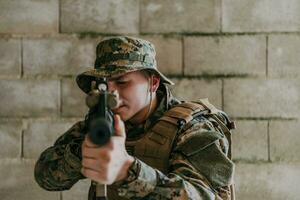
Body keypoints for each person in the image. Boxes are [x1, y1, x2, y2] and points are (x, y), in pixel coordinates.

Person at [34, 36, 235, 200]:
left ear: (153, 83)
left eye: (122, 82)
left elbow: (201, 196)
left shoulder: (191, 127)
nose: (112, 95)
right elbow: (45, 177)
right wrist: (82, 154)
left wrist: (126, 170)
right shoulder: (100, 123)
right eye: (103, 85)